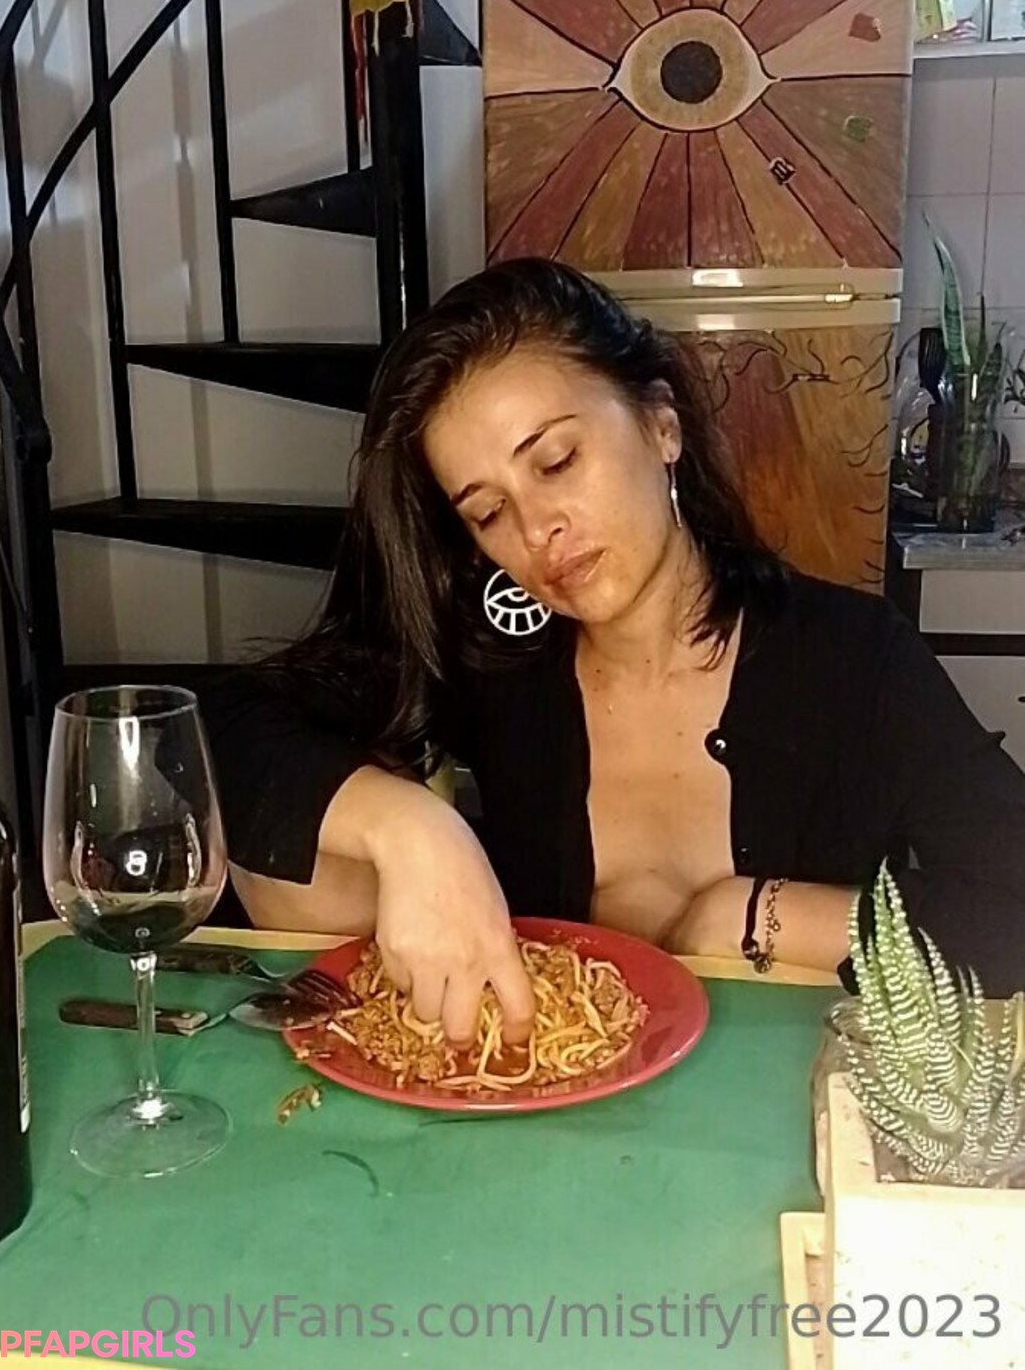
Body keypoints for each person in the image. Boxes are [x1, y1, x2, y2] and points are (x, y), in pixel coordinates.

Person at [201, 258, 1025, 1045]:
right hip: (546, 1111)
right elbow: (226, 729)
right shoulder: (496, 658)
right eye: (489, 512)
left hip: (780, 1107)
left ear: (661, 423)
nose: (537, 530)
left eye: (556, 461)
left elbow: (1011, 900)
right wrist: (413, 830)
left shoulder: (851, 659)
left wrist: (752, 915)